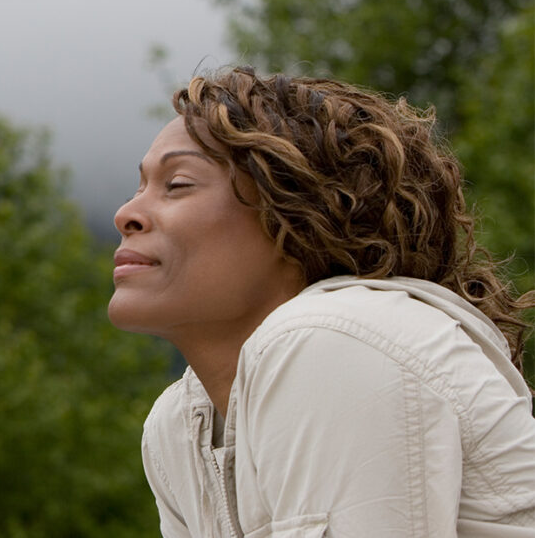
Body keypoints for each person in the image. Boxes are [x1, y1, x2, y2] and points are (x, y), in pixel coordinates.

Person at [107, 66, 535, 537]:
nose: (126, 214)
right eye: (139, 186)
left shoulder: (335, 339)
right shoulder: (182, 423)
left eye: (178, 184)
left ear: (297, 218)